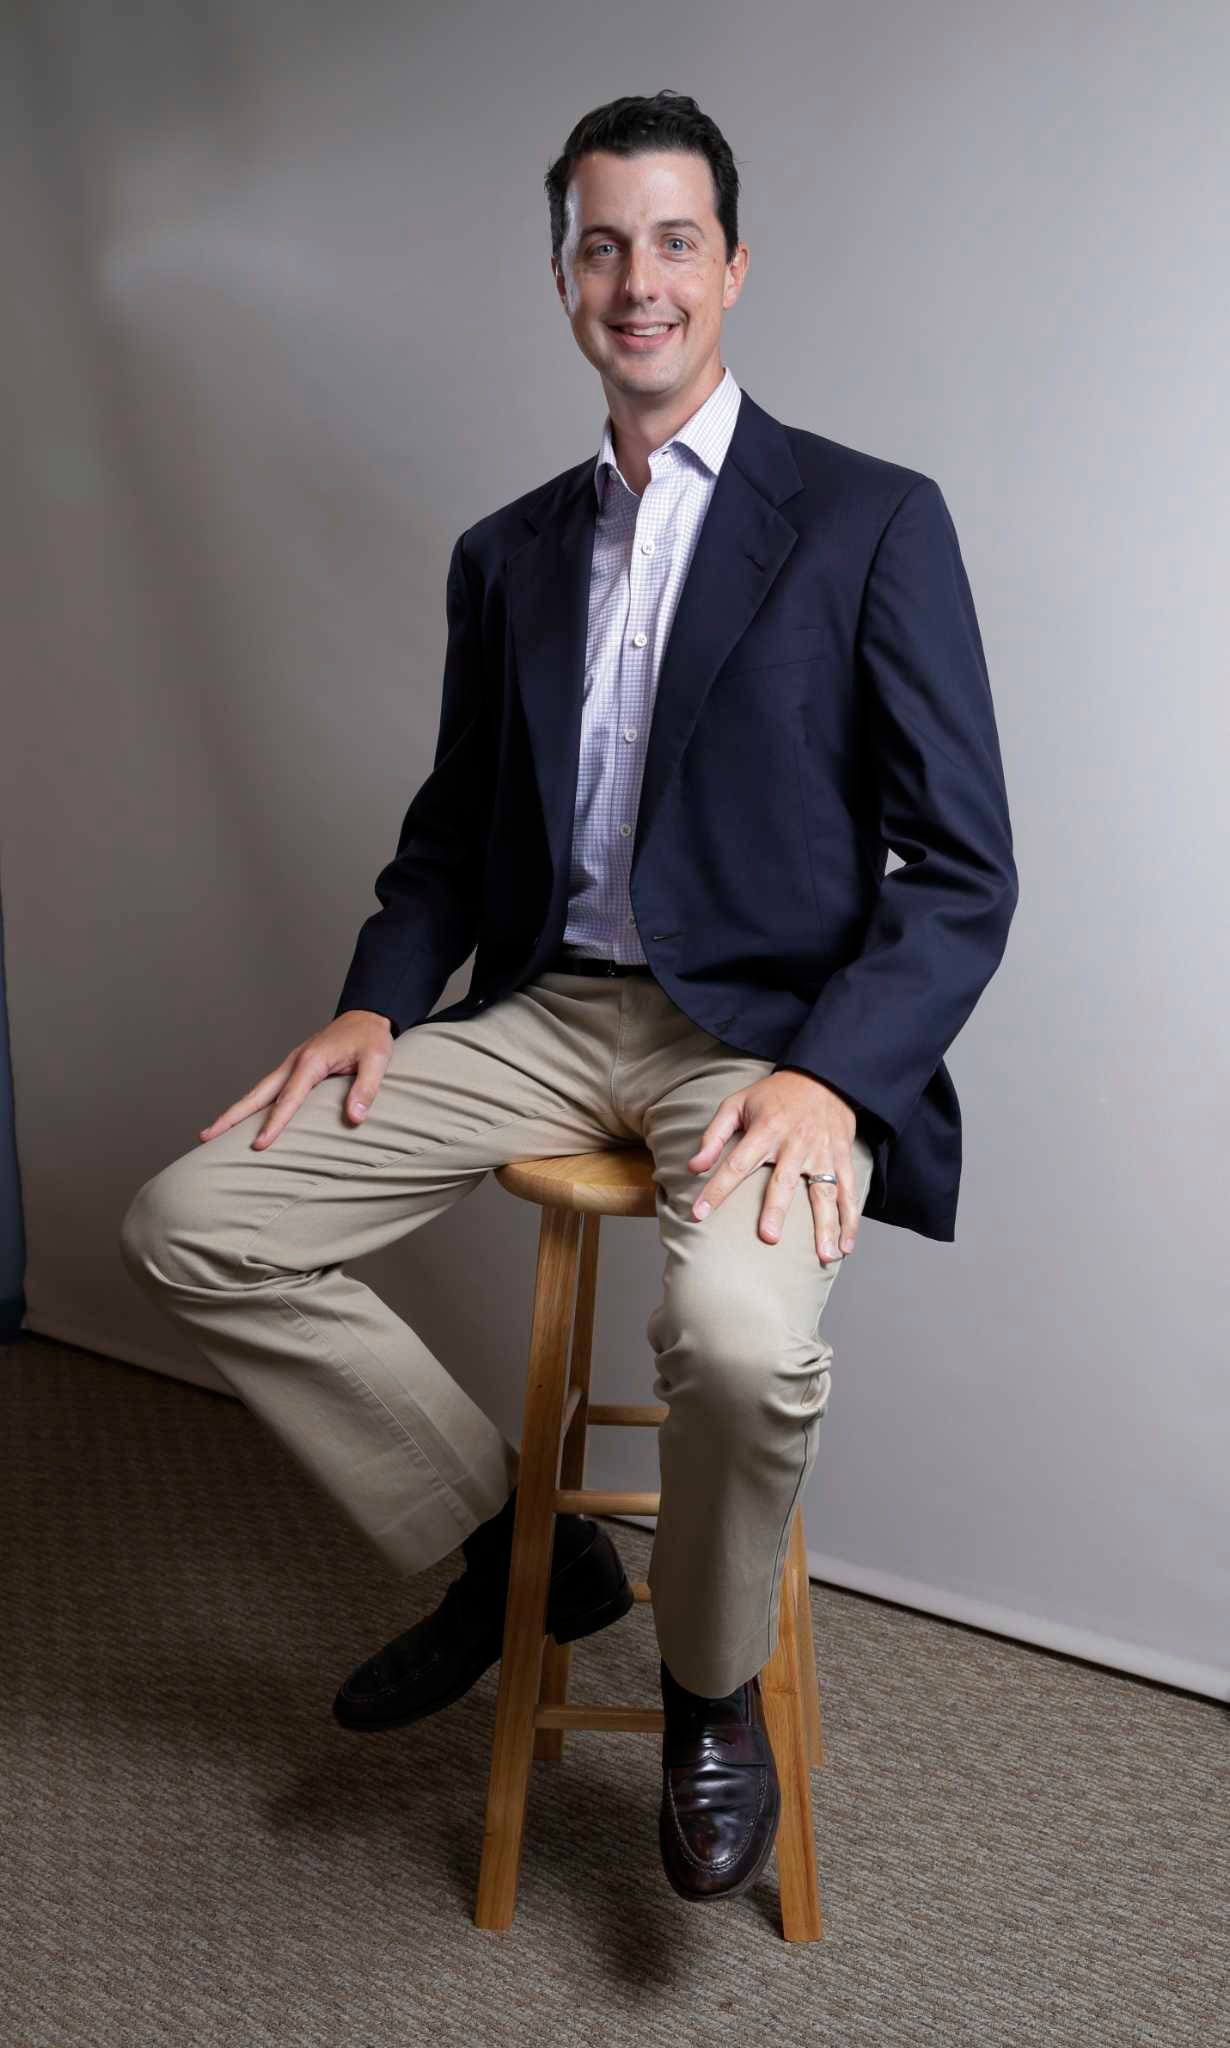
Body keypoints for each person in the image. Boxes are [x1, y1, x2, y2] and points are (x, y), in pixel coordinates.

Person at [120, 89, 1018, 1904]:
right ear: (561, 280)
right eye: (602, 246)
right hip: (543, 1016)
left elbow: (961, 867)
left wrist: (832, 1076)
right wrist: (377, 1001)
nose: (638, 281)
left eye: (673, 241)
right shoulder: (508, 551)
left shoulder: (868, 520)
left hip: (758, 1043)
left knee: (742, 1345)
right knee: (193, 1221)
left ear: (732, 267)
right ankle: (520, 1557)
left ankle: (705, 1690)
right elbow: (452, 837)